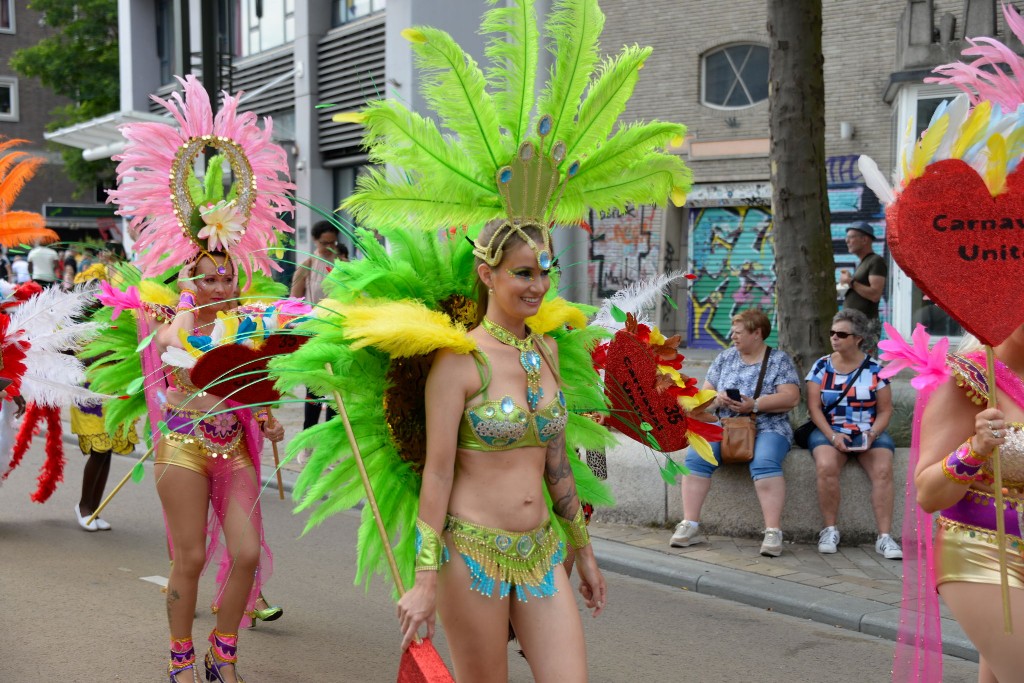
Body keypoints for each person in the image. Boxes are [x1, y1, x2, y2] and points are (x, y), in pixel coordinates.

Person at [106, 74, 295, 682]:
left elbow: (257, 381)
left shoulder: (247, 321)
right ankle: (180, 659)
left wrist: (265, 410)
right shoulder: (172, 317)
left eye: (226, 276)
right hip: (182, 444)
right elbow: (173, 343)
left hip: (231, 445)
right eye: (207, 277)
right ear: (186, 280)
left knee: (243, 555)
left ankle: (225, 653)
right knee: (187, 558)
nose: (220, 286)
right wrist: (191, 317)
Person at [397, 219, 606, 681]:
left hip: (542, 551)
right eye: (524, 273)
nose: (539, 286)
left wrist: (585, 553)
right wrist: (424, 579)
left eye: (545, 271)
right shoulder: (459, 360)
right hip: (471, 552)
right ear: (488, 274)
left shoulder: (549, 350)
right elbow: (437, 474)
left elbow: (557, 464)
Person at [671, 308, 800, 557]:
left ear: (757, 334)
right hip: (726, 425)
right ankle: (690, 524)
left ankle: (773, 531)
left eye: (739, 332)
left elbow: (791, 397)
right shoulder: (725, 358)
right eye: (733, 331)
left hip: (768, 425)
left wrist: (755, 404)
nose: (732, 336)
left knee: (764, 461)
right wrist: (716, 399)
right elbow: (703, 399)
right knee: (698, 457)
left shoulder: (778, 360)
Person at [804, 309, 901, 559]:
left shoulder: (875, 368)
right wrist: (833, 436)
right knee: (826, 466)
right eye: (832, 333)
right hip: (830, 429)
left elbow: (885, 409)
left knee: (882, 470)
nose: (834, 338)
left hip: (868, 430)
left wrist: (872, 434)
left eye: (842, 334)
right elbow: (814, 408)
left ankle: (884, 537)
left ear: (858, 338)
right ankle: (829, 530)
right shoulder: (821, 366)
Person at [290, 221, 347, 445]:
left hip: (338, 332)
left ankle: (331, 441)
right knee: (314, 388)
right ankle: (309, 437)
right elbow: (294, 304)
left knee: (336, 389)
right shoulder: (306, 266)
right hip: (315, 332)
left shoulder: (344, 266)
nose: (330, 247)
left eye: (333, 243)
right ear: (315, 241)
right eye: (325, 243)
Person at [839, 222, 887, 352]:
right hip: (855, 326)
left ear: (864, 239)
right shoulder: (864, 262)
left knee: (864, 366)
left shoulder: (875, 261)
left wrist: (851, 282)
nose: (847, 241)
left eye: (851, 237)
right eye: (846, 237)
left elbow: (875, 295)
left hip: (865, 326)